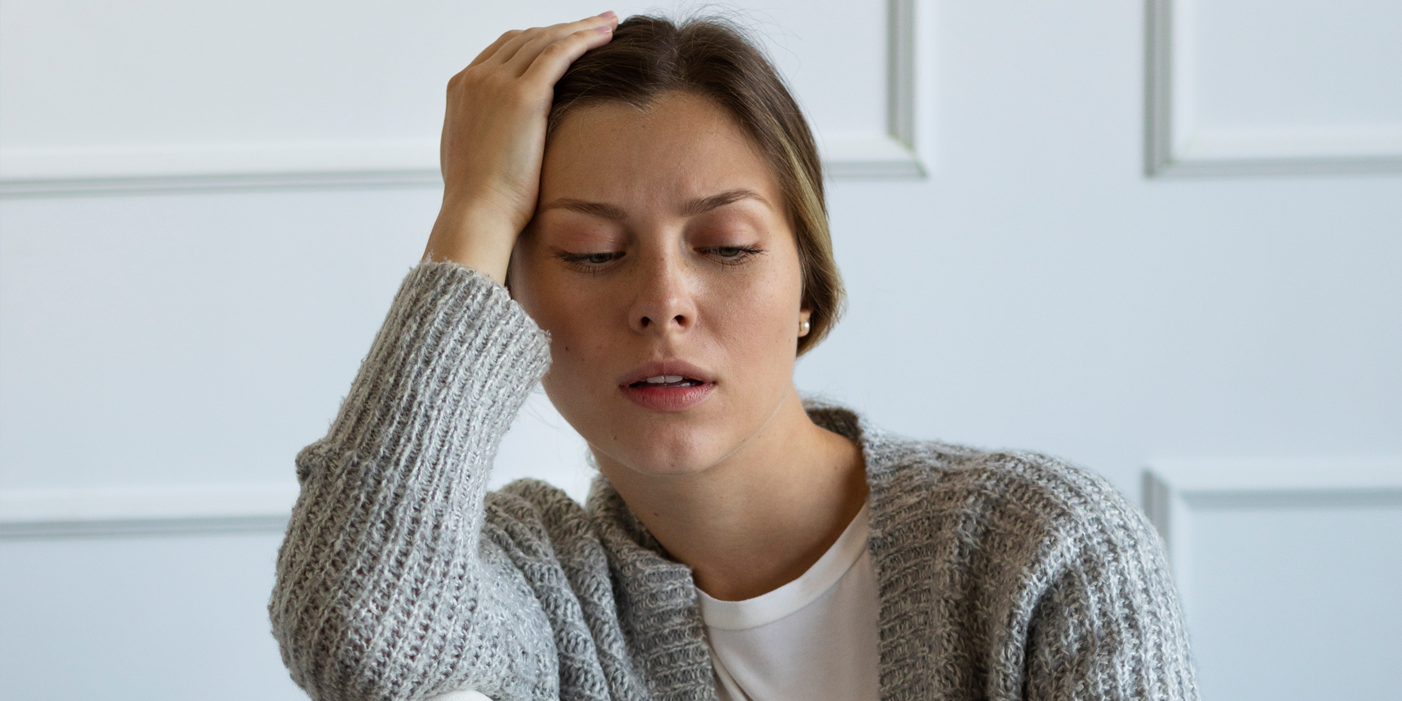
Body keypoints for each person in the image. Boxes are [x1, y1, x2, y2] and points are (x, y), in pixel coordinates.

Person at [269, 11, 1198, 701]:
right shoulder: (537, 583)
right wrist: (473, 212)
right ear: (511, 309)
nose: (663, 301)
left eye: (726, 245)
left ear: (807, 288)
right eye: (591, 252)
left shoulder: (1040, 550)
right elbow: (358, 636)